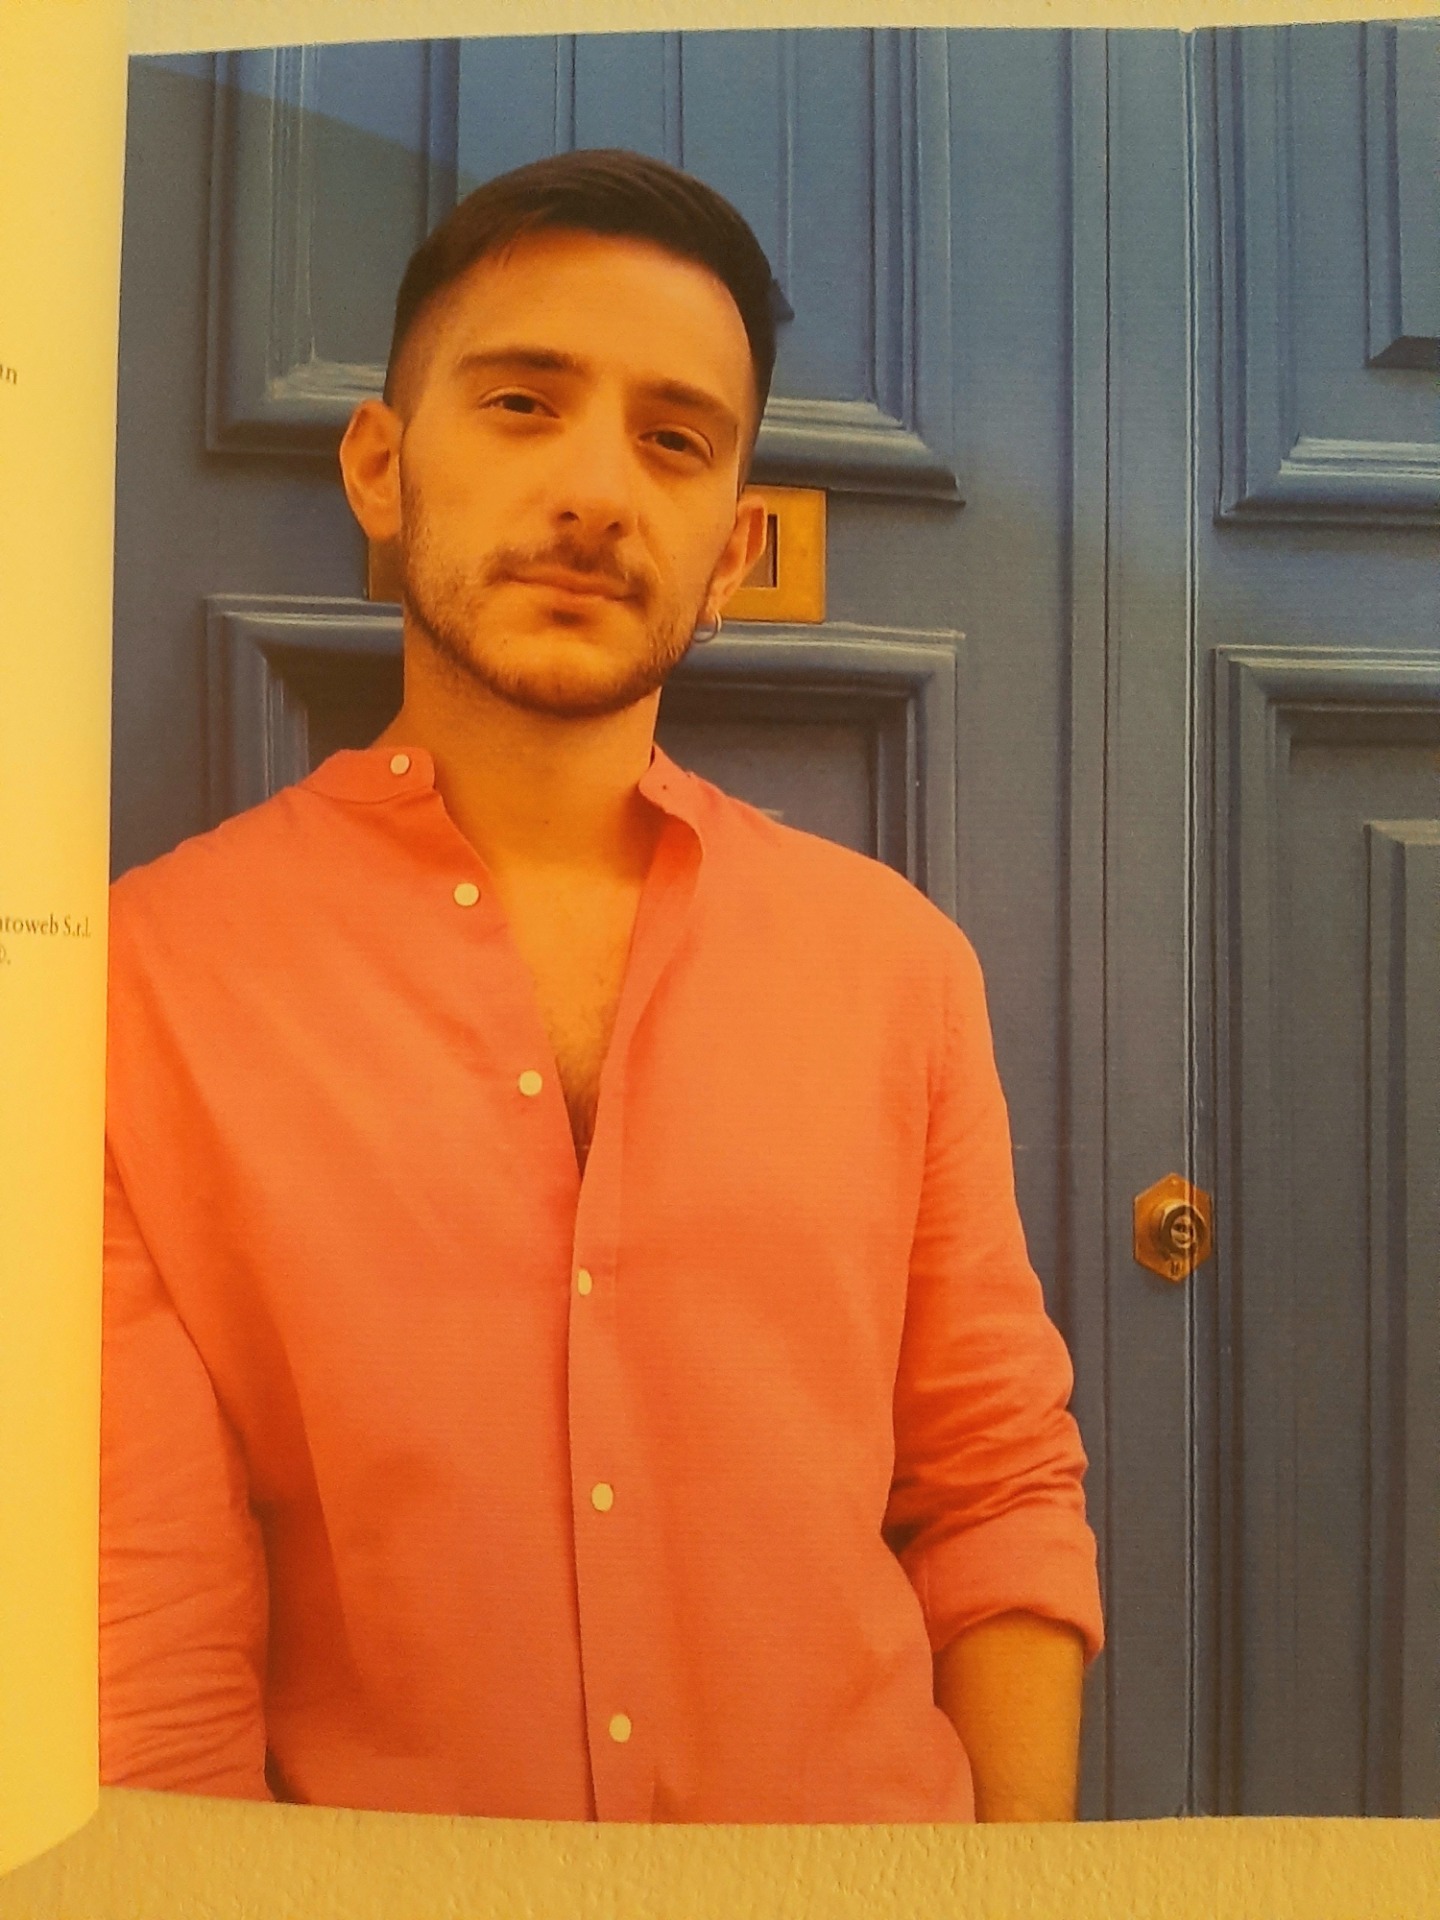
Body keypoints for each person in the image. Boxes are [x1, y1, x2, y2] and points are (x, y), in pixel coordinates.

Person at [100, 148, 1103, 1824]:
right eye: (521, 404)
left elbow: (996, 1483)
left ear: (733, 547)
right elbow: (155, 1638)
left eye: (674, 439)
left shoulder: (896, 970)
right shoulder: (149, 981)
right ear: (380, 465)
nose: (594, 491)